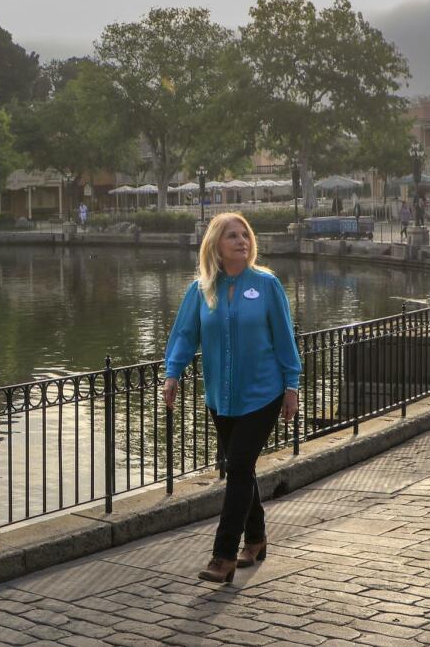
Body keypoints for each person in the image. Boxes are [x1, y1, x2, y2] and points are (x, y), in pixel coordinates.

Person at [162, 212, 301, 584]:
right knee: (242, 468)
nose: (242, 241)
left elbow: (285, 338)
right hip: (221, 398)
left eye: (245, 235)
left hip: (264, 393)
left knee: (237, 468)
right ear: (216, 246)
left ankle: (222, 556)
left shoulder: (266, 285)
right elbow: (184, 335)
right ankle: (256, 539)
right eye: (232, 236)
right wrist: (172, 373)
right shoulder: (201, 290)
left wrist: (292, 386)